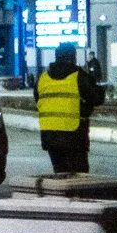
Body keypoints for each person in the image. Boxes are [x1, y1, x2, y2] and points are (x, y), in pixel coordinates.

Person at [36, 47, 91, 175]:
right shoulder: (79, 76)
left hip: (50, 135)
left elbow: (37, 98)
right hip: (74, 134)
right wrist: (85, 110)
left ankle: (63, 195)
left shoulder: (43, 78)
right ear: (73, 57)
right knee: (80, 175)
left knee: (60, 172)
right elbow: (95, 97)